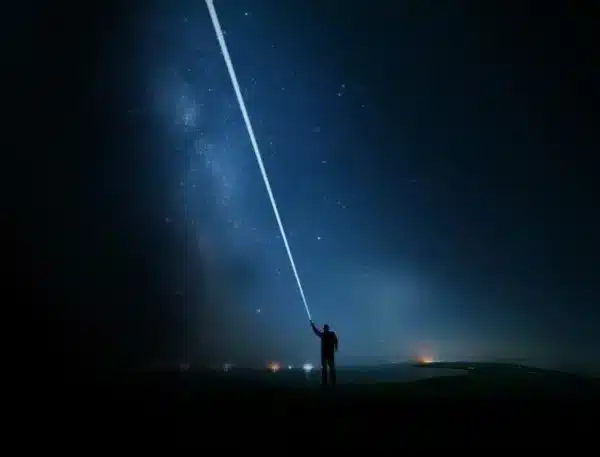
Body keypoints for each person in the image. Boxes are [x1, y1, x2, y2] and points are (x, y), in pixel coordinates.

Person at [310, 320, 339, 386]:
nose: (324, 330)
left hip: (325, 354)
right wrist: (336, 347)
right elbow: (336, 340)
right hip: (329, 354)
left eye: (324, 329)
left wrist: (312, 325)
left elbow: (316, 331)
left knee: (326, 369)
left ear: (325, 329)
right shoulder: (331, 334)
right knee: (330, 368)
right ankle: (332, 382)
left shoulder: (324, 335)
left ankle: (326, 382)